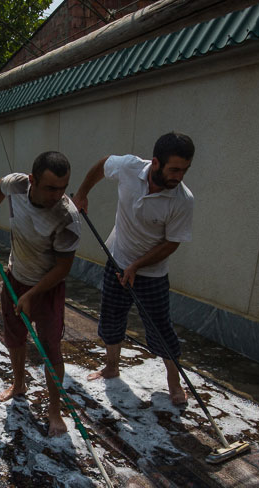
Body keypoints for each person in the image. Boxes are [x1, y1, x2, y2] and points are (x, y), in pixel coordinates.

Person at [71, 132, 195, 406]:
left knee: (160, 328)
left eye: (184, 170)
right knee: (111, 318)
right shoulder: (129, 167)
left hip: (151, 273)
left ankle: (174, 382)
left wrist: (137, 266)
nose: (179, 176)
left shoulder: (182, 200)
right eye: (174, 169)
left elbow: (171, 243)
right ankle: (111, 366)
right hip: (117, 259)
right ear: (155, 162)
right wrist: (81, 194)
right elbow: (103, 165)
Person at [0, 151, 83, 437]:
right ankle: (19, 383)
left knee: (50, 348)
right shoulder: (17, 184)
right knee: (15, 336)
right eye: (50, 188)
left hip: (47, 288)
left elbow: (63, 268)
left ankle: (55, 411)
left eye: (63, 188)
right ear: (32, 180)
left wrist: (33, 294)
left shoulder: (67, 218)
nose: (57, 195)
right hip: (15, 278)